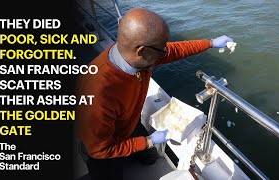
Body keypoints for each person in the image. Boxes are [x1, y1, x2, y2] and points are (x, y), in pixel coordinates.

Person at [76, 7, 233, 180]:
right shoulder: (99, 93)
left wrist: (210, 42)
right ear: (142, 51)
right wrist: (149, 141)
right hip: (101, 144)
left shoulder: (134, 56)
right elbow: (100, 150)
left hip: (128, 122)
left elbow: (176, 50)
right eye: (161, 49)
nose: (165, 52)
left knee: (151, 158)